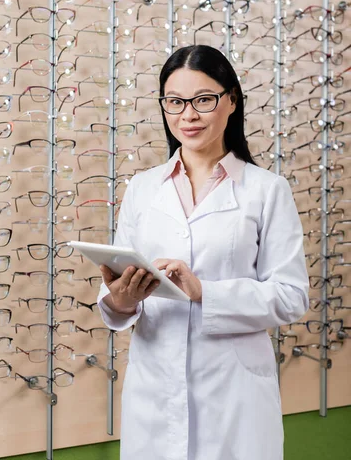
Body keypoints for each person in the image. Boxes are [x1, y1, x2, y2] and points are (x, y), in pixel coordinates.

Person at [97, 44, 309, 460]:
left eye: (203, 100)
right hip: (155, 387)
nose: (187, 115)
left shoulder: (266, 191)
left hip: (234, 390)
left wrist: (203, 292)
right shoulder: (141, 188)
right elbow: (116, 296)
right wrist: (120, 301)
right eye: (175, 102)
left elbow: (291, 295)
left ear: (231, 100)